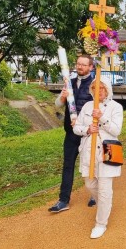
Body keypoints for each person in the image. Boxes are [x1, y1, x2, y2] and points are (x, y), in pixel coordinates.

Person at [72, 77, 123, 239]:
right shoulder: (87, 106)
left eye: (102, 88)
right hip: (89, 149)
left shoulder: (116, 107)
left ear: (107, 90)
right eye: (95, 88)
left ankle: (101, 223)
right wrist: (87, 129)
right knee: (89, 184)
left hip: (109, 149)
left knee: (105, 189)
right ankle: (105, 203)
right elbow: (76, 128)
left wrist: (101, 117)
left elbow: (116, 130)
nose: (98, 91)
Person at [49, 54, 95, 213]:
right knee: (68, 165)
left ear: (91, 67)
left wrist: (84, 122)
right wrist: (63, 97)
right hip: (71, 133)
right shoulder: (70, 83)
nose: (80, 67)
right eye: (78, 64)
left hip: (88, 133)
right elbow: (58, 105)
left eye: (84, 64)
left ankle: (95, 194)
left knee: (91, 164)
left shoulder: (95, 85)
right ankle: (63, 200)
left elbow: (100, 107)